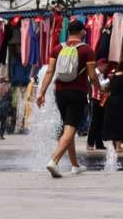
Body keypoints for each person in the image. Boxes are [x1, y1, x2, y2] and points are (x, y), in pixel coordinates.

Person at [37, 20, 97, 178]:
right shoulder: (86, 50)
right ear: (82, 32)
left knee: (67, 129)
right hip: (77, 92)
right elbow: (92, 75)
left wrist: (41, 92)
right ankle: (54, 160)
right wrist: (100, 88)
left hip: (60, 92)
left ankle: (75, 165)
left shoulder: (57, 48)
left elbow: (49, 72)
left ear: (68, 32)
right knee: (71, 128)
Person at [102, 62, 123, 153]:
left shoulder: (113, 77)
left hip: (111, 102)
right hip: (121, 103)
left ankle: (114, 145)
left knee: (113, 122)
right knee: (120, 123)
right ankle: (118, 146)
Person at [87, 59, 110, 150]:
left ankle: (99, 143)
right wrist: (108, 81)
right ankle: (90, 143)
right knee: (94, 122)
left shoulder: (102, 74)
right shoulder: (94, 73)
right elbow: (98, 84)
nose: (106, 68)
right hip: (95, 99)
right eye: (105, 66)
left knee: (100, 122)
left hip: (102, 100)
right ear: (101, 65)